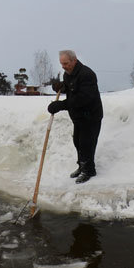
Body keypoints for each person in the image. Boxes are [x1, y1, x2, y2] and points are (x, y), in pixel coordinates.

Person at [47, 49, 103, 184]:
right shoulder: (68, 74)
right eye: (62, 64)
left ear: (74, 60)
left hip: (90, 116)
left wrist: (60, 105)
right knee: (77, 142)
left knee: (86, 143)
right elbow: (70, 87)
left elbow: (83, 98)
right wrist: (61, 87)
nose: (63, 67)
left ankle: (89, 170)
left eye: (66, 63)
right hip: (78, 117)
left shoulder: (87, 74)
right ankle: (82, 166)